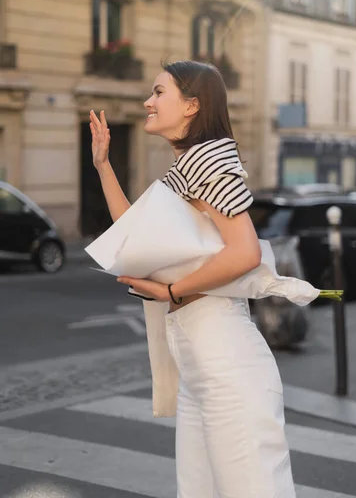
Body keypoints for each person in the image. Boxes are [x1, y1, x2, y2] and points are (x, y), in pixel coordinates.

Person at [89, 60, 297, 498]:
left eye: (159, 92)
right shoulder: (186, 166)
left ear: (191, 106)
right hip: (201, 362)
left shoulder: (208, 158)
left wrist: (169, 291)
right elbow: (136, 234)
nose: (148, 101)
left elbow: (246, 251)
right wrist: (104, 166)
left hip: (226, 361)